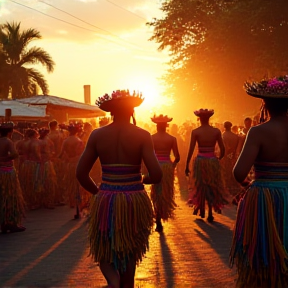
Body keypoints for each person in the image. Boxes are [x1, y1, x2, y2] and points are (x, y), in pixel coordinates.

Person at [76, 89, 162, 288]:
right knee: (130, 251)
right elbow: (157, 175)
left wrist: (99, 193)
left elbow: (81, 174)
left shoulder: (97, 135)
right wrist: (140, 179)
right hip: (134, 198)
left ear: (110, 112)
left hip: (106, 197)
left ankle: (113, 281)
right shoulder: (142, 135)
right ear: (132, 110)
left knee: (104, 246)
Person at [230, 76, 288, 288]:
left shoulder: (258, 131)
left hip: (263, 198)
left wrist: (248, 185)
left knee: (264, 260)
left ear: (264, 103)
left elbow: (239, 172)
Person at [185, 109, 228, 222]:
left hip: (200, 161)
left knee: (201, 185)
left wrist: (187, 164)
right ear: (209, 119)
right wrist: (218, 158)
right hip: (212, 161)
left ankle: (201, 209)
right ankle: (209, 213)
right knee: (212, 186)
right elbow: (223, 149)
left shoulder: (196, 132)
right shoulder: (216, 131)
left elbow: (191, 149)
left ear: (199, 119)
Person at [150, 114, 180, 232]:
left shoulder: (151, 138)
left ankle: (157, 218)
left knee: (156, 192)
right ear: (166, 126)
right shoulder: (172, 139)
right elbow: (177, 157)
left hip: (156, 166)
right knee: (166, 192)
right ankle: (161, 215)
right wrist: (172, 166)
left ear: (157, 126)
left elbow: (149, 155)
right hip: (167, 166)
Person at [0, 122, 26, 233]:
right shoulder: (8, 141)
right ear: (10, 132)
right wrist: (6, 158)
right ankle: (10, 223)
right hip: (7, 172)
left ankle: (3, 223)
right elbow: (15, 154)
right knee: (10, 197)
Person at [221, 121, 242, 196]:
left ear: (224, 127)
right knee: (233, 169)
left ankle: (229, 187)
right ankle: (234, 186)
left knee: (227, 170)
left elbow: (225, 147)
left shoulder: (224, 135)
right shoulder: (235, 136)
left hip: (227, 155)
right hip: (233, 155)